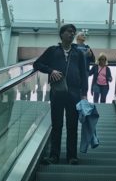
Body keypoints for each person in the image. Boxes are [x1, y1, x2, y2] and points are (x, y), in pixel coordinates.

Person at [33, 23, 88, 165]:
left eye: (73, 32)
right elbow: (37, 64)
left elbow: (84, 73)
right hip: (57, 92)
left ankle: (72, 156)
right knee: (56, 124)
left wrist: (84, 94)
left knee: (72, 125)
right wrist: (51, 70)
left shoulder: (78, 53)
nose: (72, 34)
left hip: (75, 93)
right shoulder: (53, 51)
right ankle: (54, 156)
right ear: (62, 34)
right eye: (69, 31)